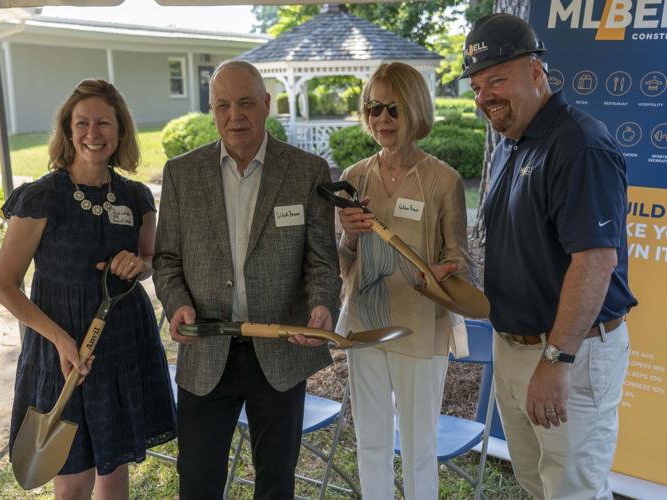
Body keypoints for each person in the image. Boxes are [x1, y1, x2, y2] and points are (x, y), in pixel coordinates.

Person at [461, 13, 637, 499]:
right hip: (514, 347)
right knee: (536, 484)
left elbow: (595, 263)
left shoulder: (578, 144)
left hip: (568, 354)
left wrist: (556, 360)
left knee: (572, 491)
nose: (485, 96)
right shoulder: (508, 145)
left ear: (536, 72)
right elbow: (517, 243)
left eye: (497, 79)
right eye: (477, 86)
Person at [152, 60, 341, 500]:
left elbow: (322, 261)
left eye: (245, 103)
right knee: (198, 481)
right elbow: (166, 259)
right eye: (222, 105)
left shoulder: (306, 170)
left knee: (276, 481)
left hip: (279, 352)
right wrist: (176, 301)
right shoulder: (182, 173)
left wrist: (323, 304)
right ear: (212, 110)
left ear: (266, 105)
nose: (234, 115)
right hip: (206, 349)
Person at [0, 79, 176, 500]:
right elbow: (4, 285)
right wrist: (59, 340)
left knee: (113, 468)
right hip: (62, 349)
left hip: (122, 343)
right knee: (72, 477)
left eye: (104, 123)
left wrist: (138, 265)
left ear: (121, 130)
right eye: (82, 123)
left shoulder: (136, 196)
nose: (93, 133)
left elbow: (150, 260)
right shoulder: (42, 197)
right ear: (68, 130)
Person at [336, 62, 471, 500]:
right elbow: (343, 262)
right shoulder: (354, 177)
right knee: (371, 441)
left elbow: (460, 261)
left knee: (418, 447)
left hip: (420, 325)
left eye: (392, 108)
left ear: (415, 109)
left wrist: (438, 274)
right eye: (372, 108)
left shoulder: (443, 180)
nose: (382, 120)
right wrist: (349, 236)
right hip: (366, 323)